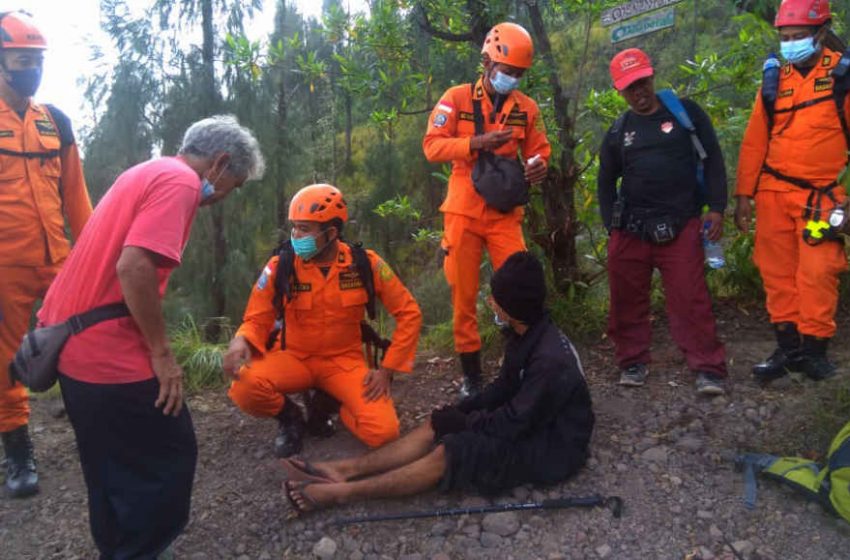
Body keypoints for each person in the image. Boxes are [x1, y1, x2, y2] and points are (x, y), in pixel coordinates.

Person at [37, 115, 264, 558]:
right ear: (219, 163)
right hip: (106, 354)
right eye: (230, 187)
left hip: (70, 347)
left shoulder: (145, 171)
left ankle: (117, 548)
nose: (220, 199)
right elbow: (134, 267)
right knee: (168, 459)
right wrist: (161, 354)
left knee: (106, 467)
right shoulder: (179, 182)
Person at [279, 251, 593, 514]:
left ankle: (343, 493)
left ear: (512, 307)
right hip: (531, 424)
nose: (491, 303)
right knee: (437, 422)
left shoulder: (551, 362)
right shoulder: (526, 333)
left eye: (496, 299)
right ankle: (343, 470)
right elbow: (504, 388)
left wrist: (466, 423)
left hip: (554, 448)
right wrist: (463, 410)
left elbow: (514, 423)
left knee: (453, 450)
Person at [224, 184, 422, 458]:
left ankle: (336, 403)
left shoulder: (366, 263)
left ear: (331, 232)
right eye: (294, 227)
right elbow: (257, 317)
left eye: (305, 229)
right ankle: (290, 418)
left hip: (345, 363)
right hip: (295, 357)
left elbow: (409, 313)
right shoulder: (281, 265)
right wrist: (241, 339)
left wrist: (387, 370)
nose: (296, 236)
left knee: (383, 433)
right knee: (244, 386)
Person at [423, 22, 551, 398]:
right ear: (487, 62)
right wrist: (476, 142)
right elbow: (432, 147)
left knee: (520, 287)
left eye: (518, 74)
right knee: (463, 293)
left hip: (505, 211)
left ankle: (522, 363)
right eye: (507, 71)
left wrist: (539, 163)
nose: (512, 79)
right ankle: (472, 375)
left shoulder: (526, 108)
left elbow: (540, 148)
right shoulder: (457, 98)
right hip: (463, 209)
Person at [597, 48, 728, 395]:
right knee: (625, 299)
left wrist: (716, 207)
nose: (639, 93)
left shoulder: (686, 115)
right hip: (632, 229)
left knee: (690, 298)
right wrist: (611, 226)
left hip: (680, 224)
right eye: (630, 88)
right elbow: (605, 179)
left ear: (652, 76)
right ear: (619, 91)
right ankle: (632, 362)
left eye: (642, 83)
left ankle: (708, 368)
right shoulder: (618, 131)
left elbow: (713, 158)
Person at [0, 11, 92, 498]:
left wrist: (93, 252)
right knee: (3, 360)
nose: (30, 68)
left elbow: (77, 198)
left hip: (60, 260)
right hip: (4, 266)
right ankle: (17, 451)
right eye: (21, 60)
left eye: (36, 60)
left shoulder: (55, 122)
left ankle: (91, 424)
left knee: (82, 339)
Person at [736, 0, 846, 383]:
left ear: (820, 33)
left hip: (821, 199)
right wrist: (743, 197)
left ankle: (815, 353)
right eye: (785, 38)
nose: (791, 43)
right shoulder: (774, 79)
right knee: (777, 273)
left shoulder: (842, 76)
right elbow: (754, 142)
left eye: (799, 37)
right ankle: (788, 348)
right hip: (772, 193)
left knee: (817, 272)